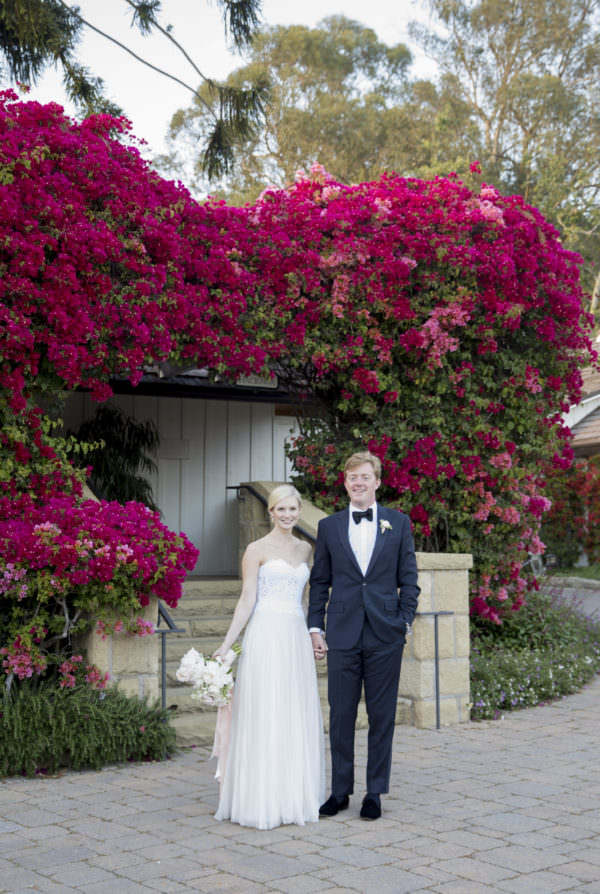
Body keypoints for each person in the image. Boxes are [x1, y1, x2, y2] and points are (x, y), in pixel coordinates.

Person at [308, 451, 420, 821]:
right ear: (345, 483)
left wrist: (403, 621)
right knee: (341, 715)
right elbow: (320, 582)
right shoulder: (328, 527)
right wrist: (315, 627)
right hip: (342, 633)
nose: (358, 482)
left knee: (381, 715)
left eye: (365, 477)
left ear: (377, 482)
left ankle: (375, 792)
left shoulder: (398, 523)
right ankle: (339, 791)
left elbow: (409, 580)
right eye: (352, 477)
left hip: (385, 634)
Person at [212, 484, 325, 829]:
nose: (287, 515)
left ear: (299, 510)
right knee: (264, 709)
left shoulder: (305, 549)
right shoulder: (256, 549)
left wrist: (314, 634)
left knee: (292, 710)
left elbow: (304, 600)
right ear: (270, 512)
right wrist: (227, 644)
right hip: (265, 634)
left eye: (293, 509)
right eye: (281, 509)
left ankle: (291, 796)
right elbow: (247, 598)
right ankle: (259, 798)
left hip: (294, 636)